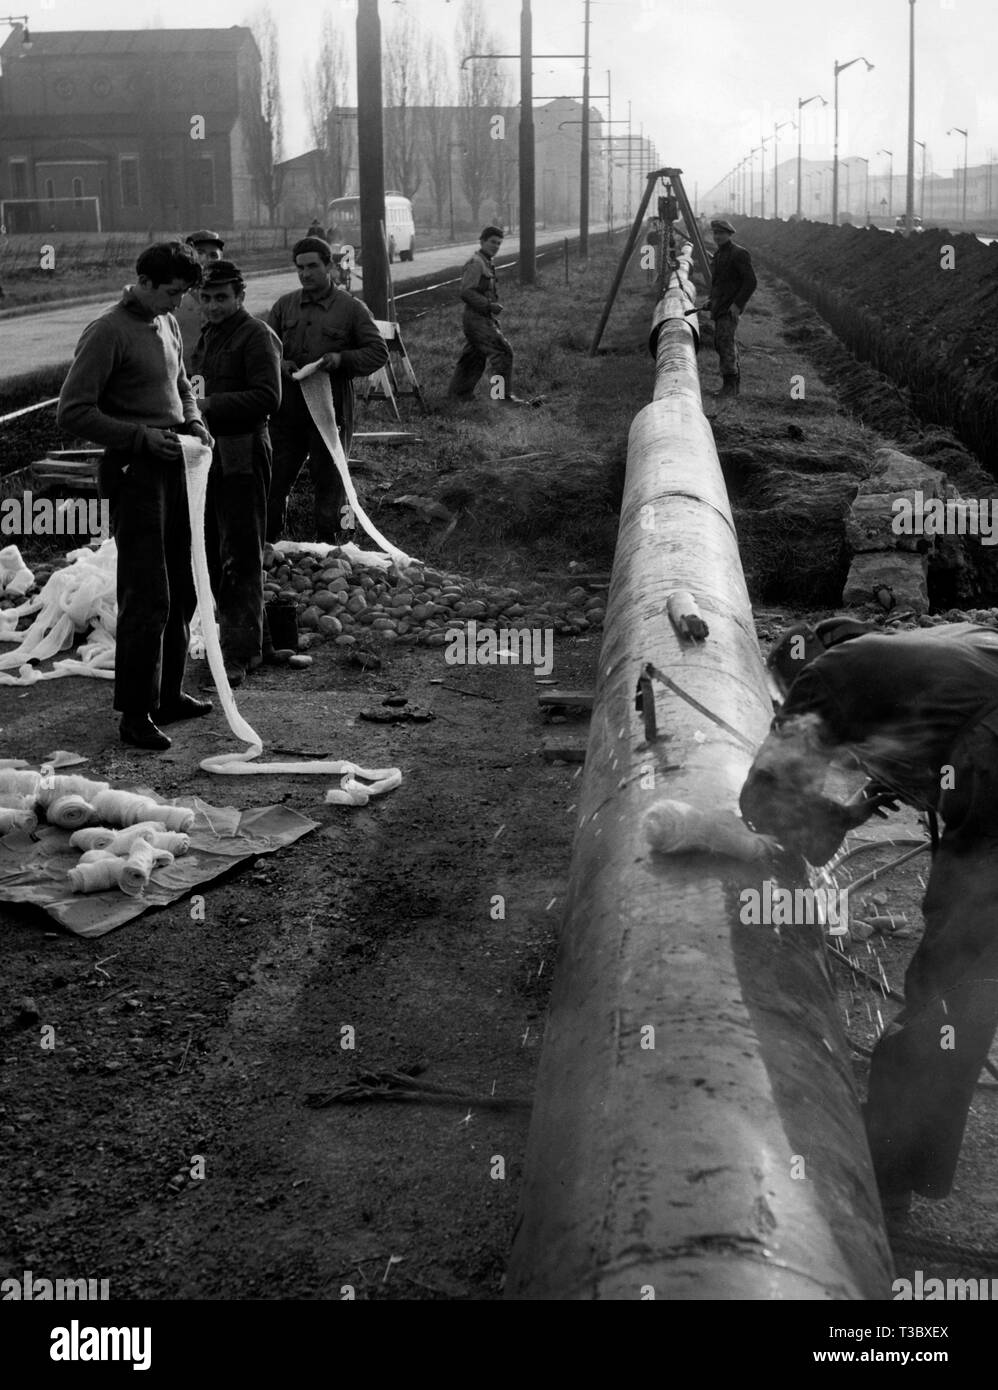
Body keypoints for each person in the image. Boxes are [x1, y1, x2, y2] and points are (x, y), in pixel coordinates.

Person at [739, 618, 998, 1230]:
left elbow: (764, 799)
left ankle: (890, 1163)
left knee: (957, 962)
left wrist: (832, 821)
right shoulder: (941, 644)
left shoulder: (821, 677)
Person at [57, 241, 213, 751]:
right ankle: (135, 713)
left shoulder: (164, 322)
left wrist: (192, 419)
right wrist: (141, 437)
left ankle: (168, 694)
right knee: (147, 597)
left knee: (182, 591)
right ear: (144, 281)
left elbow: (181, 383)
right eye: (172, 292)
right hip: (135, 473)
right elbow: (74, 411)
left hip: (174, 466)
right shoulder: (107, 332)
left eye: (185, 294)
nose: (179, 304)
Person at [189, 260, 282, 688]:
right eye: (205, 298)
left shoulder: (256, 335)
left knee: (240, 553)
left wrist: (206, 407)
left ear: (241, 296)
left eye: (221, 297)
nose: (212, 306)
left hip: (243, 449)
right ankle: (252, 642)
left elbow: (268, 397)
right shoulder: (209, 335)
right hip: (212, 452)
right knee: (212, 549)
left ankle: (238, 655)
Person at [265, 236, 388, 544]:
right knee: (274, 479)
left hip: (331, 408)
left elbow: (378, 352)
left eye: (313, 266)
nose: (306, 274)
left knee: (329, 480)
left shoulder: (351, 309)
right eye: (300, 268)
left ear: (330, 266)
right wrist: (280, 362)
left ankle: (331, 549)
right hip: (288, 409)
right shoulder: (284, 306)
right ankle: (270, 545)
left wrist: (341, 358)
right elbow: (266, 349)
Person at [447, 225, 534, 407]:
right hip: (476, 318)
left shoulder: (485, 262)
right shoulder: (476, 263)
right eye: (492, 242)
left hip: (482, 318)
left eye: (499, 243)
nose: (495, 246)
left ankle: (458, 395)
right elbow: (466, 292)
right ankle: (501, 398)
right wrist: (488, 305)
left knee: (473, 357)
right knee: (502, 353)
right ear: (482, 241)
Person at [707, 217, 757, 400]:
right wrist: (711, 301)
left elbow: (751, 282)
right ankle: (732, 386)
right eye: (715, 233)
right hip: (721, 306)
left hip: (730, 309)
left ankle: (730, 387)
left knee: (725, 343)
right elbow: (720, 283)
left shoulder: (739, 254)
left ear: (729, 234)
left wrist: (738, 305)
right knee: (722, 344)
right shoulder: (719, 254)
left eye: (721, 233)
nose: (717, 236)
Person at [176, 230, 226, 367]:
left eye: (213, 255)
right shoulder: (174, 295)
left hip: (219, 376)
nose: (206, 259)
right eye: (200, 252)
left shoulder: (229, 297)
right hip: (184, 375)